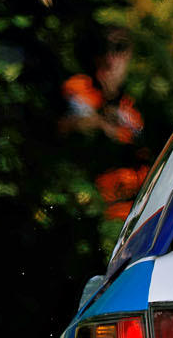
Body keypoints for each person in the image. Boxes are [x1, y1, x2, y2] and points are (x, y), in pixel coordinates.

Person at [60, 27, 147, 220]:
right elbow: (72, 123)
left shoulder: (135, 105)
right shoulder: (80, 88)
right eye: (102, 48)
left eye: (119, 48)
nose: (110, 58)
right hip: (95, 212)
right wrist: (102, 123)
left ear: (130, 56)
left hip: (136, 212)